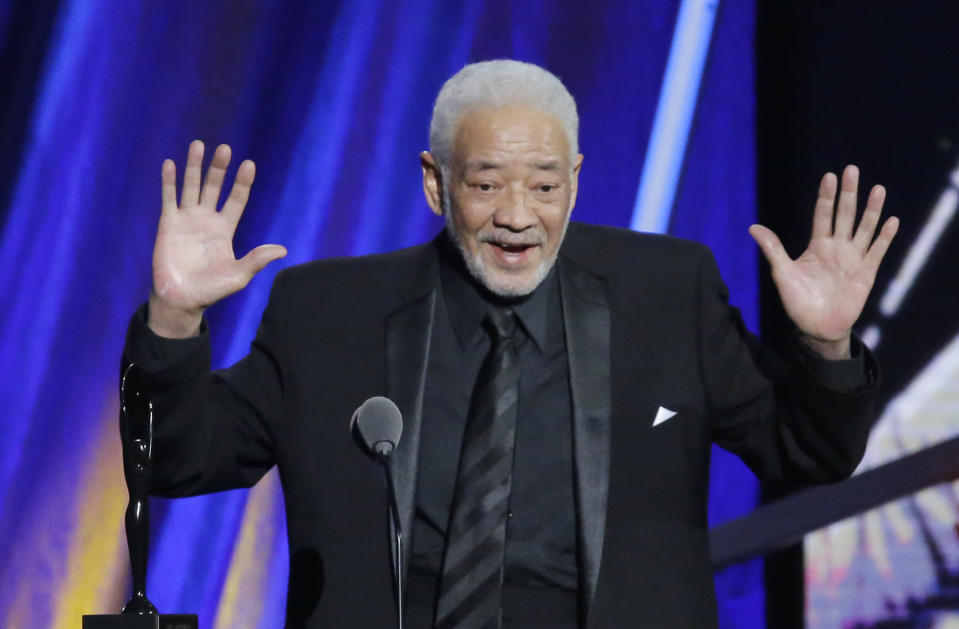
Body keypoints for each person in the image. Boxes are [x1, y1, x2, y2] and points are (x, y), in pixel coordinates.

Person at [124, 60, 899, 628]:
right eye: (487, 182)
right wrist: (174, 318)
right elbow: (178, 457)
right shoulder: (329, 310)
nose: (517, 215)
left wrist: (826, 345)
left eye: (544, 183)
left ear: (576, 178)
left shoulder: (668, 291)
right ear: (435, 183)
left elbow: (808, 452)